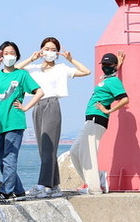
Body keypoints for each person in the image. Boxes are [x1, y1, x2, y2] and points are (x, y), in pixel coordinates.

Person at [22, 38, 90, 198]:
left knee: (48, 147)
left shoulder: (61, 68)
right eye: (46, 48)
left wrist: (70, 59)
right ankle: (54, 185)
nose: (49, 52)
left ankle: (43, 185)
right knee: (43, 149)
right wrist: (32, 58)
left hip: (52, 105)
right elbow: (13, 69)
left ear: (57, 53)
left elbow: (86, 71)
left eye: (53, 49)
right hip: (36, 105)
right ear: (41, 50)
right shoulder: (34, 68)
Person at [0, 41, 43, 200]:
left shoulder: (22, 74)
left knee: (9, 158)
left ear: (17, 56)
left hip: (15, 121)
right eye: (6, 53)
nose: (9, 55)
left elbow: (39, 92)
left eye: (12, 53)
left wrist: (26, 107)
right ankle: (20, 190)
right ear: (0, 55)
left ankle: (6, 191)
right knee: (0, 159)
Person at [69, 52, 128, 193]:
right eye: (104, 64)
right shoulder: (108, 79)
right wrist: (118, 65)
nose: (106, 67)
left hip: (97, 118)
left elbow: (125, 99)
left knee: (89, 152)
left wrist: (108, 111)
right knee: (75, 152)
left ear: (113, 66)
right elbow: (111, 77)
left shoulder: (113, 81)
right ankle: (96, 178)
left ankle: (94, 188)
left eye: (109, 65)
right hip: (90, 119)